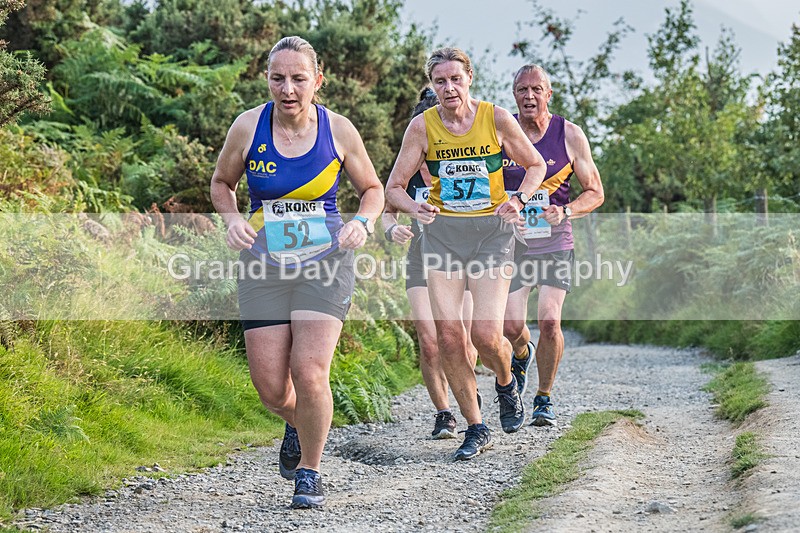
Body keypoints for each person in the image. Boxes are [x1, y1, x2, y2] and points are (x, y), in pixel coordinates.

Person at [210, 36, 383, 509]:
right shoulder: (248, 127)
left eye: (298, 79)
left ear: (317, 81)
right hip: (264, 263)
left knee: (309, 372)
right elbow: (222, 183)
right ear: (267, 79)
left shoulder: (339, 129)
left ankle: (310, 471)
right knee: (270, 387)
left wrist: (363, 223)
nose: (288, 89)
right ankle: (299, 421)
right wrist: (231, 217)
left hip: (325, 262)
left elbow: (372, 188)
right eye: (277, 78)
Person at [386, 47, 547, 461]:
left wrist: (520, 198)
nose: (449, 88)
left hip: (491, 234)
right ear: (433, 85)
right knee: (449, 337)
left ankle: (507, 381)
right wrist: (412, 206)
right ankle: (476, 426)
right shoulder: (422, 128)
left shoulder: (494, 118)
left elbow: (534, 166)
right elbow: (393, 188)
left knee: (485, 335)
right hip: (443, 237)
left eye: (456, 79)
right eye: (440, 81)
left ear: (469, 78)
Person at [502, 64, 604, 426]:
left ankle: (544, 398)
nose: (529, 96)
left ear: (549, 94)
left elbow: (595, 192)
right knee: (510, 325)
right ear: (514, 94)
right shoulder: (503, 132)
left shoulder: (569, 135)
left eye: (536, 89)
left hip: (554, 241)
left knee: (549, 320)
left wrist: (566, 210)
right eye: (522, 90)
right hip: (512, 243)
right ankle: (520, 352)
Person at [382, 87, 480, 440]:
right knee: (429, 340)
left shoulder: (464, 160)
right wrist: (392, 229)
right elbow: (387, 210)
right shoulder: (408, 163)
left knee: (464, 341)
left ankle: (469, 396)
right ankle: (443, 413)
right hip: (421, 260)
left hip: (461, 260)